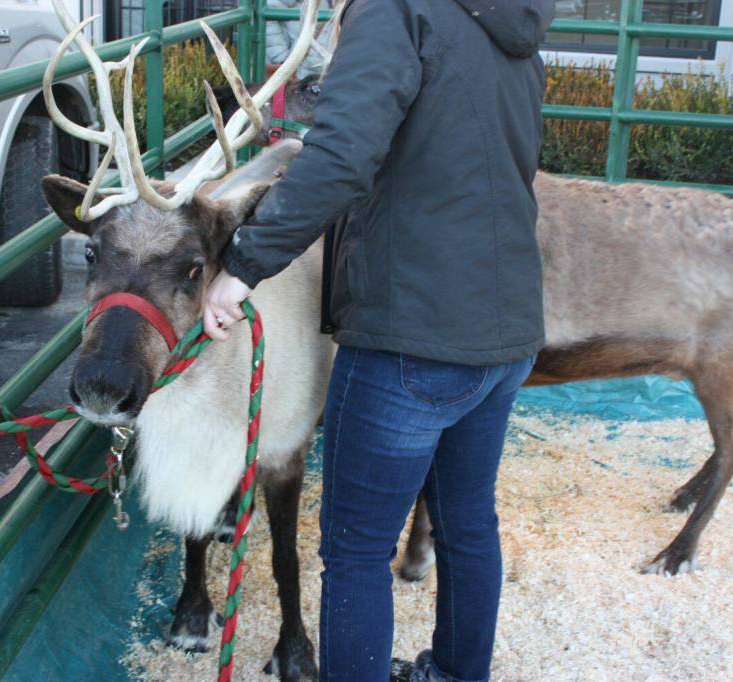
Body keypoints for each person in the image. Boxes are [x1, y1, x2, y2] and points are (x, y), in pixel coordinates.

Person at [204, 0, 555, 679]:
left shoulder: (395, 9)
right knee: (467, 524)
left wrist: (244, 265)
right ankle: (455, 671)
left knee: (358, 550)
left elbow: (338, 156)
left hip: (410, 334)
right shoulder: (511, 23)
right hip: (505, 330)